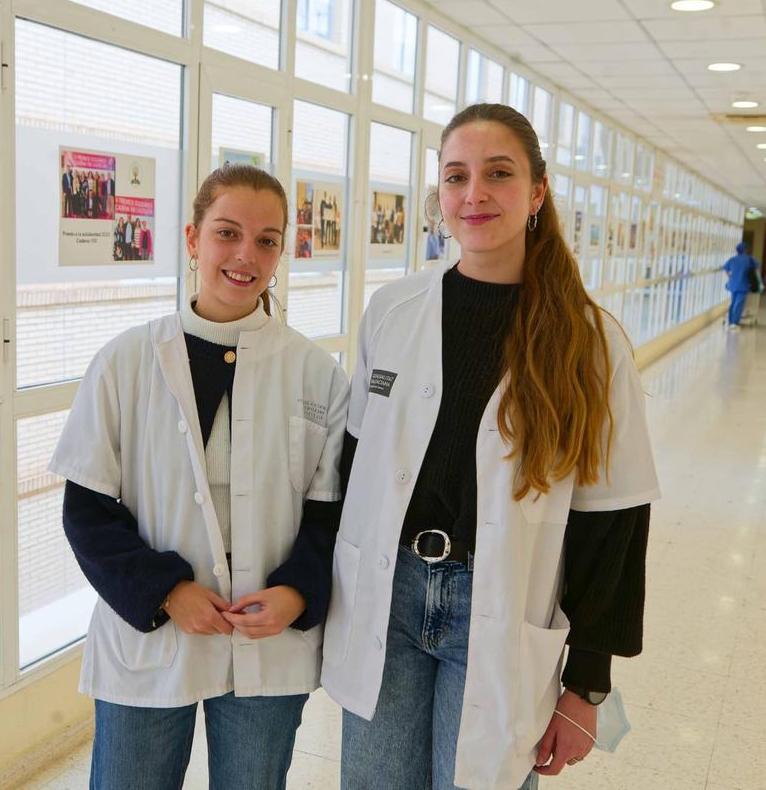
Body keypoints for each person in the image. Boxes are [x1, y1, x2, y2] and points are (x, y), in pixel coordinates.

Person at [322, 103, 660, 790]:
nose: (473, 194)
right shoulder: (393, 310)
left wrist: (586, 684)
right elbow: (353, 463)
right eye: (455, 177)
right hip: (390, 592)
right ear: (439, 195)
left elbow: (615, 521)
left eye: (497, 174)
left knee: (479, 781)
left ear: (536, 192)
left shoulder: (591, 345)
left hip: (498, 605)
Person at [50, 163, 350, 790]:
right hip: (153, 632)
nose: (246, 255)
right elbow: (87, 511)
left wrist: (297, 593)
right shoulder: (127, 360)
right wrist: (165, 592)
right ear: (193, 239)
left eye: (267, 240)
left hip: (266, 637)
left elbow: (332, 517)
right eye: (227, 233)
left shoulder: (316, 374)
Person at [723, 243, 760, 329]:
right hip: (743, 284)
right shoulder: (749, 259)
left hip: (732, 284)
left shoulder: (732, 259)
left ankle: (731, 321)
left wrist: (731, 277)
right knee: (739, 303)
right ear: (745, 250)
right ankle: (735, 323)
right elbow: (757, 267)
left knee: (733, 302)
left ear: (737, 250)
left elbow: (725, 269)